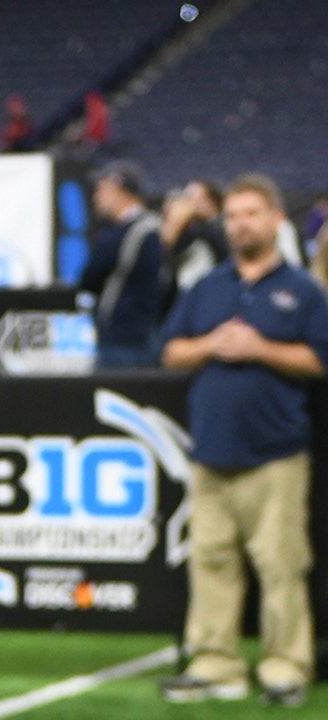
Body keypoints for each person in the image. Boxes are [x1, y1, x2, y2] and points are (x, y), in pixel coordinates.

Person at [159, 173, 328, 708]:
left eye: (252, 213)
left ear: (277, 219)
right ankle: (216, 665)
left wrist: (259, 347)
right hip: (210, 455)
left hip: (275, 455)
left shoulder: (302, 291)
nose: (240, 224)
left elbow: (320, 359)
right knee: (211, 562)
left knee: (281, 567)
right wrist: (213, 342)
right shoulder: (207, 287)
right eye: (232, 215)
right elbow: (171, 351)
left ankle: (285, 667)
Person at [78, 160, 164, 368]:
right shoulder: (138, 228)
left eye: (102, 190)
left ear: (120, 190)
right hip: (129, 336)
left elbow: (90, 275)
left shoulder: (138, 230)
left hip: (128, 339)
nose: (96, 198)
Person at [160, 179, 228, 313]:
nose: (185, 204)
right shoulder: (193, 229)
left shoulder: (218, 228)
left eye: (190, 198)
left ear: (210, 203)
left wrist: (176, 221)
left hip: (211, 301)